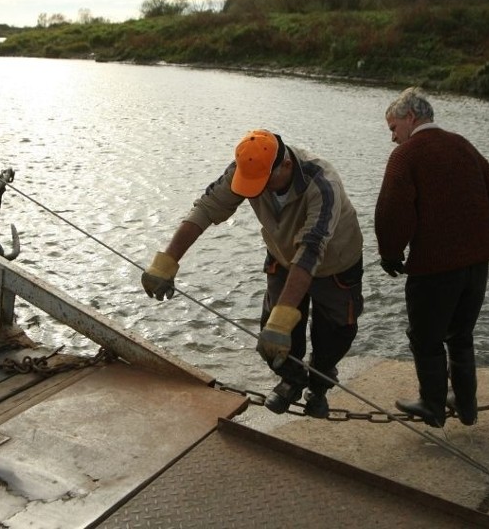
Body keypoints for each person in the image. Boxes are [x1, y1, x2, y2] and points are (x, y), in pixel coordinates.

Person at [141, 129, 364, 418]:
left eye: (264, 182)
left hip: (334, 260)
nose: (256, 190)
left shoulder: (322, 183)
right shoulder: (246, 168)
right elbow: (206, 209)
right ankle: (292, 381)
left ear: (285, 165)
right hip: (283, 256)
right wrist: (166, 262)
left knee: (334, 334)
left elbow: (311, 251)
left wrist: (284, 317)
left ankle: (319, 386)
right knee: (271, 334)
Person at [374, 88, 489, 427]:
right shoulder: (462, 145)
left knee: (426, 337)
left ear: (410, 118)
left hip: (434, 268)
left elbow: (391, 212)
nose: (392, 137)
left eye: (393, 128)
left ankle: (432, 405)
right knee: (461, 336)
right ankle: (466, 404)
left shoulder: (407, 156)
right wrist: (484, 237)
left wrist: (390, 253)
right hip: (478, 264)